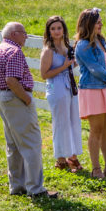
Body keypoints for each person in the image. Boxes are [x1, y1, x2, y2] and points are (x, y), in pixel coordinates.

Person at [0, 22, 59, 199]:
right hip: (16, 99)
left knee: (13, 144)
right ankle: (35, 188)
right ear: (14, 34)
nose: (26, 36)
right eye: (24, 33)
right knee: (31, 143)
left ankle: (17, 185)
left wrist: (1, 94)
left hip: (2, 98)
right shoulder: (14, 51)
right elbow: (11, 79)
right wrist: (26, 99)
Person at [74, 8, 106, 179]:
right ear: (88, 24)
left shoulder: (101, 41)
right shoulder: (82, 45)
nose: (101, 24)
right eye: (98, 22)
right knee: (96, 129)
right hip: (93, 89)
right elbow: (95, 69)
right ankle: (96, 169)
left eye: (101, 21)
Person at [41, 15, 82, 173]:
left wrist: (74, 62)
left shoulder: (67, 47)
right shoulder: (48, 50)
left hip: (70, 87)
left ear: (63, 29)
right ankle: (61, 158)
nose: (57, 31)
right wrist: (64, 66)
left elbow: (71, 65)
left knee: (72, 121)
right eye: (53, 29)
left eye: (59, 28)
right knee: (61, 123)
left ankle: (71, 156)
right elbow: (44, 74)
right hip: (56, 87)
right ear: (49, 31)